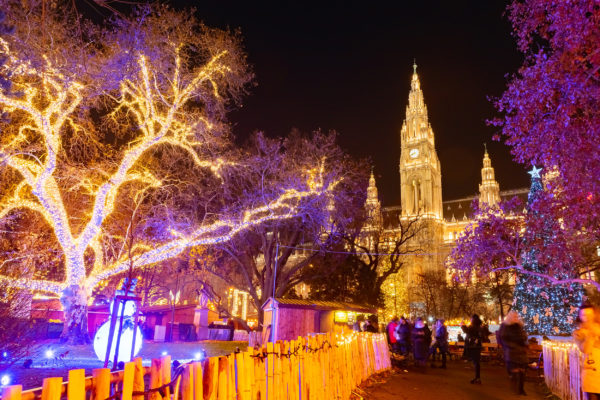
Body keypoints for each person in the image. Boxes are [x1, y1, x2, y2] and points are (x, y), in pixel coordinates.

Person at [498, 311, 529, 396]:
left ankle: (521, 389)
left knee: (522, 371)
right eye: (514, 316)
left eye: (516, 316)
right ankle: (514, 383)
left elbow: (524, 336)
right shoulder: (505, 326)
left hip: (521, 351)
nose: (516, 318)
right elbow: (503, 338)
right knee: (514, 370)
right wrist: (510, 346)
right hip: (512, 351)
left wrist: (524, 343)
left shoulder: (519, 326)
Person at [573, 302, 600, 400]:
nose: (587, 318)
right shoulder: (578, 333)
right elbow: (585, 350)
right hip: (591, 376)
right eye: (584, 315)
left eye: (590, 315)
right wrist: (591, 335)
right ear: (580, 317)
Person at [463, 314, 484, 384]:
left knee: (476, 362)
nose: (470, 320)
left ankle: (477, 378)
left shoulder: (474, 327)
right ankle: (477, 377)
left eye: (471, 319)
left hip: (474, 346)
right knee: (476, 362)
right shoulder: (479, 326)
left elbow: (467, 331)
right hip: (477, 346)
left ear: (473, 319)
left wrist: (462, 325)